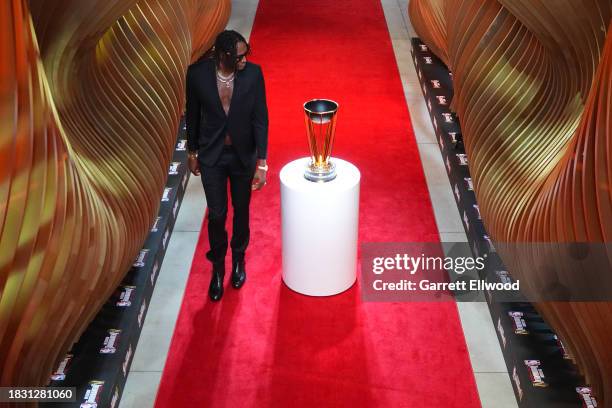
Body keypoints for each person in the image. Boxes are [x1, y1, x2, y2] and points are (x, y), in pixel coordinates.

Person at [185, 30, 269, 301]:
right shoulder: (197, 75)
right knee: (218, 214)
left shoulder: (254, 75)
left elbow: (260, 119)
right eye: (239, 56)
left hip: (243, 156)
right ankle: (218, 268)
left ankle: (238, 260)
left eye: (246, 54)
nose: (244, 60)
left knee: (241, 210)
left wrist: (262, 162)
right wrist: (192, 151)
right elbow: (193, 115)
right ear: (223, 55)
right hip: (213, 156)